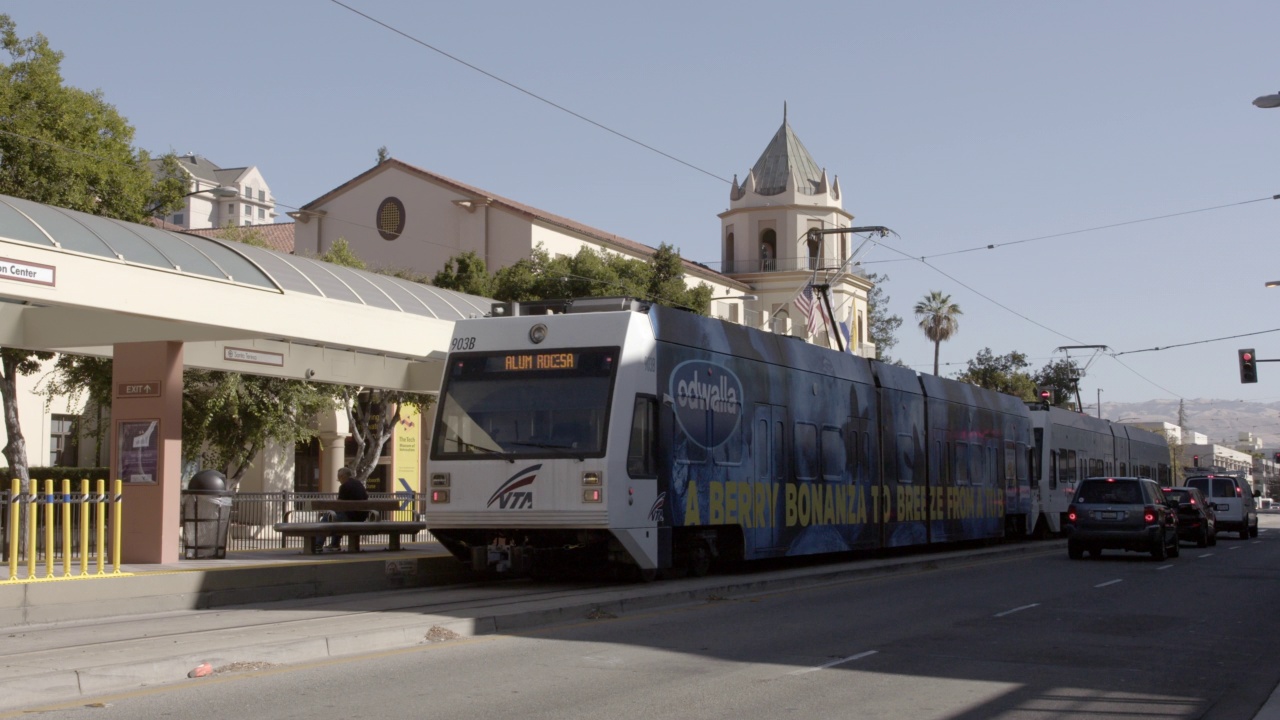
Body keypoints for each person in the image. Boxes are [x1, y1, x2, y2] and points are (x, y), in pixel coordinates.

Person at [317, 467, 370, 551]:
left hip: (351, 517)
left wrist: (328, 511)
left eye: (339, 478)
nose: (339, 480)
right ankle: (334, 544)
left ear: (342, 476)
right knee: (337, 517)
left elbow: (339, 504)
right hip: (361, 517)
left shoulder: (344, 486)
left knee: (327, 518)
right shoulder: (359, 483)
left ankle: (318, 544)